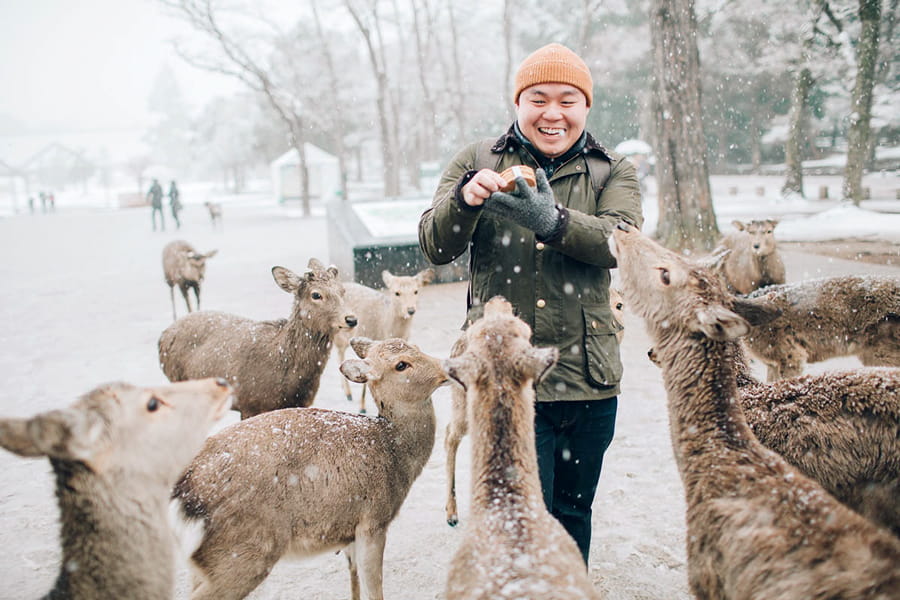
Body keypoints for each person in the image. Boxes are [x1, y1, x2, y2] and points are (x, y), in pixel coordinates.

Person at [418, 43, 643, 565]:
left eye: (568, 100)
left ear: (585, 107)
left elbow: (622, 245)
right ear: (518, 103)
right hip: (502, 381)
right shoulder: (476, 160)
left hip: (588, 377)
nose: (552, 113)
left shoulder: (612, 172)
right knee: (512, 515)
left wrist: (553, 221)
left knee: (572, 512)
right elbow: (435, 245)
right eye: (538, 98)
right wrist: (465, 202)